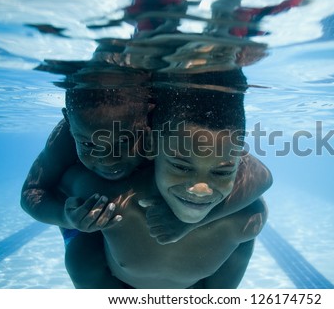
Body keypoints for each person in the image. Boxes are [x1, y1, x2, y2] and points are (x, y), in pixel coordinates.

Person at [21, 68, 272, 288]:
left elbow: (261, 177)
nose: (108, 160)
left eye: (125, 140)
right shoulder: (78, 125)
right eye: (87, 144)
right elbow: (34, 191)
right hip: (109, 253)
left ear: (148, 124)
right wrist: (67, 217)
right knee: (82, 248)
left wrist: (189, 223)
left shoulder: (186, 130)